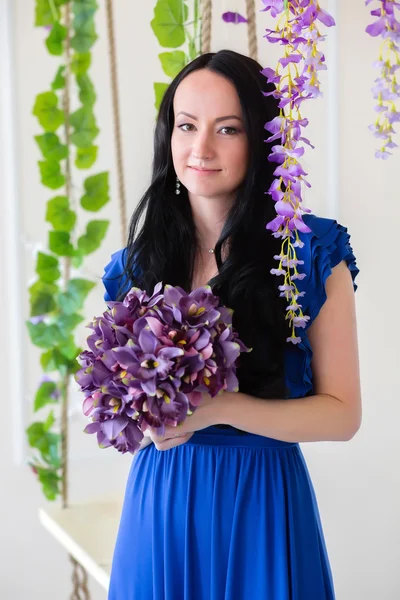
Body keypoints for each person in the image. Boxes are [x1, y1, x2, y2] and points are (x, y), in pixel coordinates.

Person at [103, 49, 361, 599]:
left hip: (263, 505)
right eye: (187, 126)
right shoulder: (134, 266)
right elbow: (113, 401)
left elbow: (343, 417)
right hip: (162, 506)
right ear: (167, 136)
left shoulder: (310, 256)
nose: (201, 149)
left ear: (261, 141)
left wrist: (215, 408)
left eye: (227, 129)